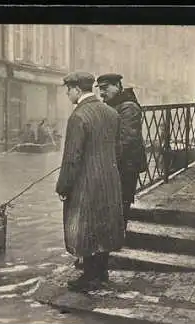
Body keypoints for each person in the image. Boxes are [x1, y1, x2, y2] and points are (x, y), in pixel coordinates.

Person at [56, 71, 125, 291]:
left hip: (86, 182)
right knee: (104, 225)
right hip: (110, 178)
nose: (67, 93)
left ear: (77, 89)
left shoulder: (78, 116)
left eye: (68, 89)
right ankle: (102, 272)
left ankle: (89, 276)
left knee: (83, 227)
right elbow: (118, 148)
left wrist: (63, 186)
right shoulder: (111, 112)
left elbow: (72, 158)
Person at [96, 73, 148, 231]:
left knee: (121, 202)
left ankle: (118, 236)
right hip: (117, 163)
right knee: (113, 202)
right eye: (100, 90)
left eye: (105, 88)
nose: (102, 93)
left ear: (118, 86)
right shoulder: (113, 105)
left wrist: (108, 160)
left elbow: (127, 139)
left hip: (126, 165)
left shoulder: (128, 107)